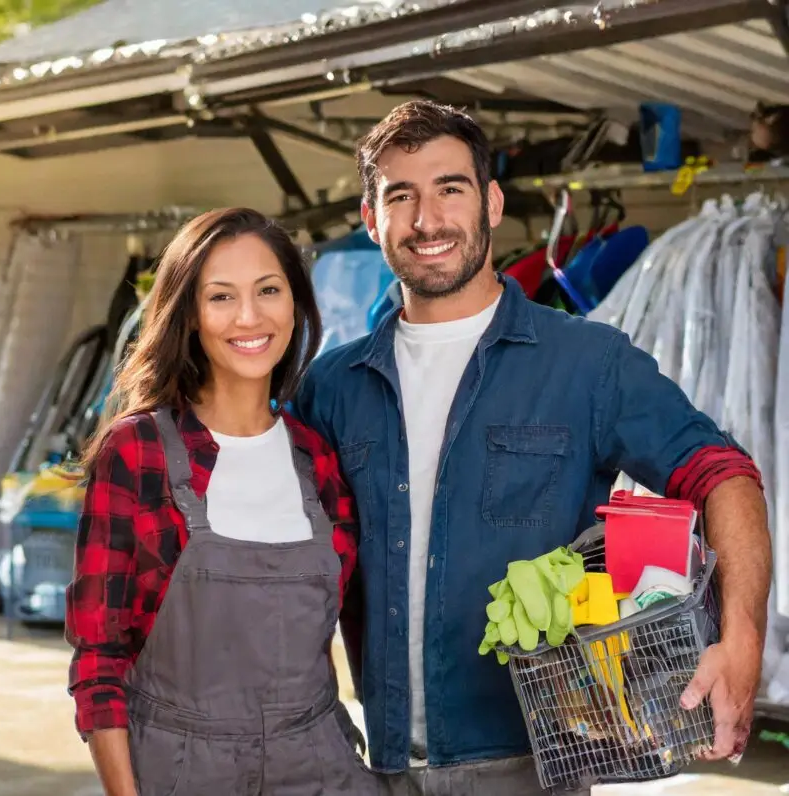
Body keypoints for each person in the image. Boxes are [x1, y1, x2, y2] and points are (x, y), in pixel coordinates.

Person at [294, 100, 773, 795]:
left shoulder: (587, 362)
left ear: (490, 203)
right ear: (372, 219)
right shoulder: (332, 387)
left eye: (450, 189)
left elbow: (723, 475)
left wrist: (743, 642)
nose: (428, 220)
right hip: (379, 764)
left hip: (532, 765)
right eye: (402, 196)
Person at [64, 207, 382, 796]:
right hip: (182, 769)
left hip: (318, 763)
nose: (248, 316)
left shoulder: (319, 462)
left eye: (268, 290)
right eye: (220, 297)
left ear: (295, 304)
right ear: (188, 316)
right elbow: (99, 659)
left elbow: (333, 638)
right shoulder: (138, 453)